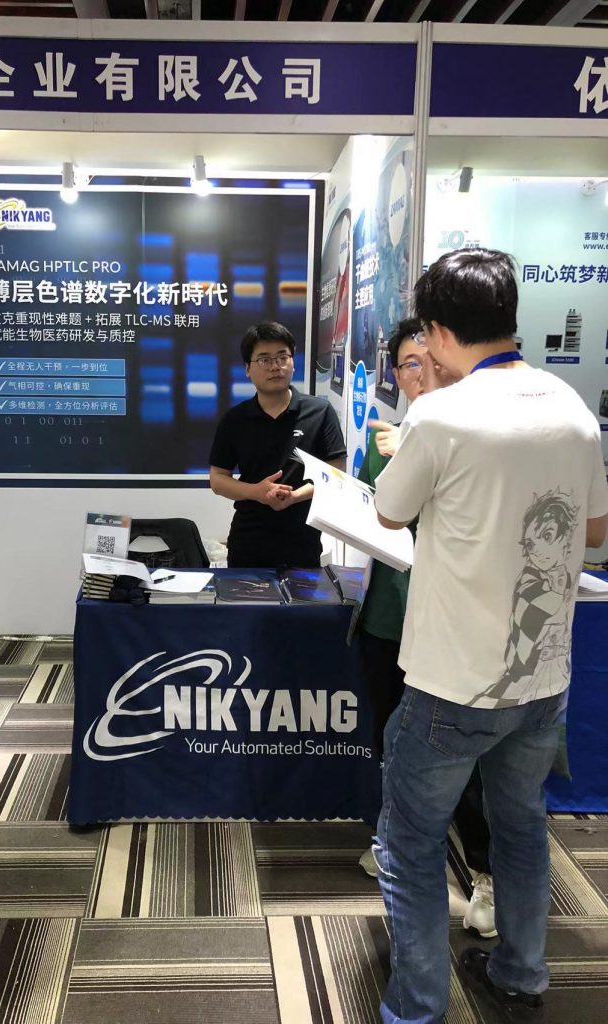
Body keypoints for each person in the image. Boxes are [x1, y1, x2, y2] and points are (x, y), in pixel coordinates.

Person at [371, 248, 608, 1024]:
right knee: (520, 830)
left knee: (410, 845)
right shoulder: (571, 409)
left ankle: (415, 1008)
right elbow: (594, 531)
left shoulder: (440, 415)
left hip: (452, 683)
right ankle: (521, 973)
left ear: (438, 332)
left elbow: (387, 512)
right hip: (540, 681)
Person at [356, 318, 496, 940]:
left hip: (449, 625)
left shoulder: (478, 435)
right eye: (411, 364)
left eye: (432, 361)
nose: (424, 374)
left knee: (465, 763)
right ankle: (397, 845)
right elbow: (376, 514)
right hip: (389, 612)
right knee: (392, 742)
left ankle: (487, 875)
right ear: (396, 374)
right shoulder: (384, 438)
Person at [209, 321, 346, 568]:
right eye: (264, 359)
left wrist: (295, 496)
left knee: (305, 595)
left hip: (302, 541)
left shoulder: (319, 411)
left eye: (283, 357)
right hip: (248, 541)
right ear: (247, 368)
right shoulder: (235, 419)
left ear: (293, 361)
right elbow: (218, 479)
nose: (275, 366)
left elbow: (337, 474)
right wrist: (256, 492)